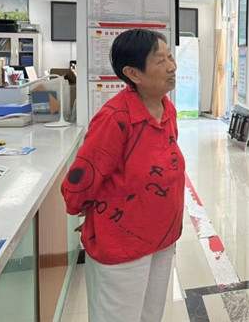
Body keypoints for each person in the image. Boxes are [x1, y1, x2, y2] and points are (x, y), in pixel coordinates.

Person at [61, 29, 183, 322]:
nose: (172, 67)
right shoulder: (115, 118)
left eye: (170, 57)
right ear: (133, 73)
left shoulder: (167, 110)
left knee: (150, 316)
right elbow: (78, 183)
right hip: (122, 241)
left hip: (162, 236)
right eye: (160, 61)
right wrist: (95, 215)